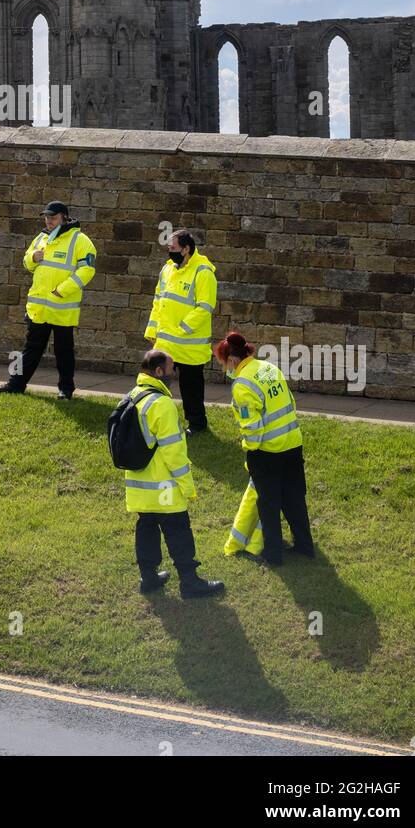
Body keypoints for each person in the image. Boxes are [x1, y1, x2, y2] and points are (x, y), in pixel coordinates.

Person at [124, 349, 225, 599]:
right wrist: (187, 487)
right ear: (159, 371)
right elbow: (174, 454)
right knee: (178, 530)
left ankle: (148, 577)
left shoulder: (133, 396)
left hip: (139, 483)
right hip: (164, 486)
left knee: (146, 527)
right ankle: (189, 582)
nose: (174, 374)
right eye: (171, 369)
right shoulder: (162, 404)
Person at [214, 330, 315, 567]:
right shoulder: (269, 368)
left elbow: (253, 429)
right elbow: (290, 401)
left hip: (267, 451)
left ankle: (272, 556)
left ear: (231, 360)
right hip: (292, 443)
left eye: (222, 364)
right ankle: (304, 547)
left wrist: (250, 452)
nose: (224, 369)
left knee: (268, 505)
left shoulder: (242, 385)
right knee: (294, 499)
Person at [0, 200, 96, 400]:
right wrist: (33, 258)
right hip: (38, 309)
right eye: (47, 217)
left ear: (64, 218)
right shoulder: (41, 237)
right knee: (30, 350)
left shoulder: (81, 240)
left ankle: (66, 390)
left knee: (63, 352)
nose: (49, 221)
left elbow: (87, 270)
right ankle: (15, 385)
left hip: (62, 309)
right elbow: (26, 261)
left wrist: (62, 290)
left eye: (53, 217)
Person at [144, 228, 217, 435]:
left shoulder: (203, 272)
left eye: (173, 247)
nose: (170, 250)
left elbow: (205, 307)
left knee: (190, 387)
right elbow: (158, 301)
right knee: (155, 382)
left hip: (189, 346)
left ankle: (197, 424)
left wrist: (182, 328)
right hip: (165, 343)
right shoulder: (167, 270)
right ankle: (154, 419)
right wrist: (152, 328)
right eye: (169, 247)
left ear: (186, 249)